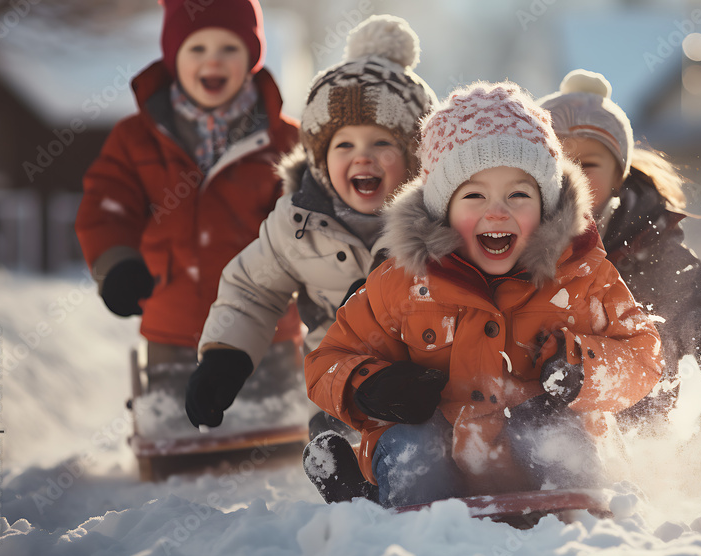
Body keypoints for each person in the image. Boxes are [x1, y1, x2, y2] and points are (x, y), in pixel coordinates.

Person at [302, 82, 663, 507]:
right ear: (442, 209)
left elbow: (644, 356)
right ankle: (377, 501)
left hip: (542, 458)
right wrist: (368, 385)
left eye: (519, 195)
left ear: (546, 206)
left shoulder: (584, 276)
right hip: (443, 449)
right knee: (414, 447)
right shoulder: (401, 282)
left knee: (553, 431)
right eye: (474, 195)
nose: (497, 211)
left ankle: (572, 507)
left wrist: (584, 368)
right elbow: (326, 361)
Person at [184, 15, 438, 430]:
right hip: (340, 391)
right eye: (343, 144)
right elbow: (253, 288)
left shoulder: (440, 221)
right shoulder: (296, 223)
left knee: (417, 455)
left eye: (381, 142)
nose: (362, 157)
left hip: (430, 388)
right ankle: (340, 464)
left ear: (416, 158)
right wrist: (224, 356)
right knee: (335, 452)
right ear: (320, 160)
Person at [75, 0, 301, 415]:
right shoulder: (136, 138)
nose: (212, 60)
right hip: (172, 322)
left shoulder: (284, 143)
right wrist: (116, 263)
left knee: (272, 422)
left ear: (252, 59)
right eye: (197, 49)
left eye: (229, 49)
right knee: (178, 421)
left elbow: (305, 222)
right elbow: (108, 206)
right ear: (174, 57)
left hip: (267, 328)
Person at [538, 69, 701, 427]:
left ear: (618, 175)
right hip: (545, 388)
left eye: (588, 164)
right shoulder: (514, 234)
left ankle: (649, 448)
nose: (570, 174)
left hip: (633, 407)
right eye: (556, 162)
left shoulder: (645, 235)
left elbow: (690, 288)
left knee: (655, 323)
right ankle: (538, 447)